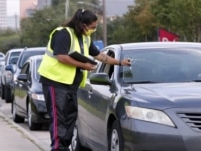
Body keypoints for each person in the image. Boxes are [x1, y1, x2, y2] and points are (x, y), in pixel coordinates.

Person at [38, 9, 131, 151]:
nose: (94, 30)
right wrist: (84, 65)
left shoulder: (85, 38)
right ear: (83, 24)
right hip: (54, 82)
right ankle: (57, 148)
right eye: (93, 27)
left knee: (70, 118)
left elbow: (100, 56)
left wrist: (120, 62)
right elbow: (61, 57)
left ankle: (64, 147)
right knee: (59, 119)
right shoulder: (63, 33)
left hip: (71, 85)